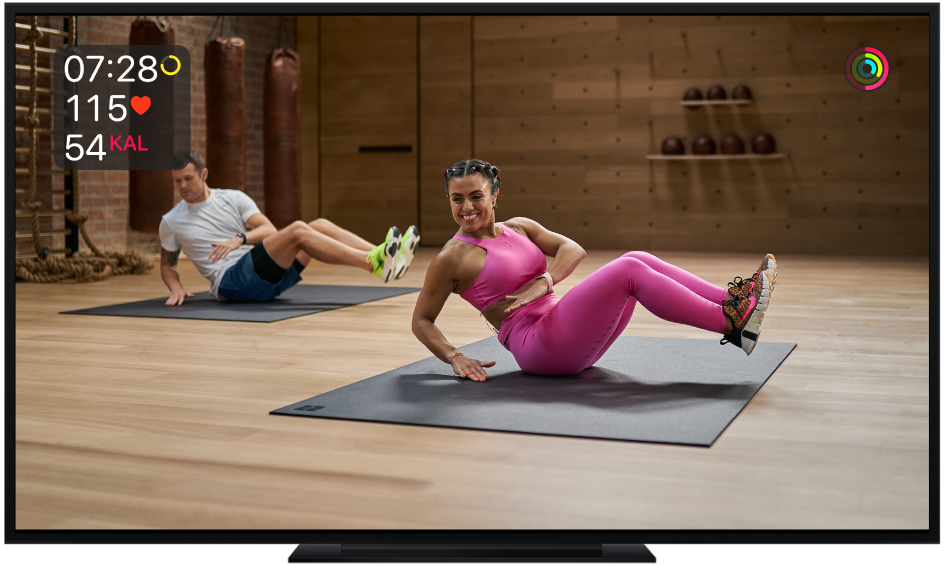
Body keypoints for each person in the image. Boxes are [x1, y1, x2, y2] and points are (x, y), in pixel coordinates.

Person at [411, 158, 777, 381]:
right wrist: (454, 356)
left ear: (494, 195)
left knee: (637, 257)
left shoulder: (519, 227)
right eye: (457, 199)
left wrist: (546, 280)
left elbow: (574, 249)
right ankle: (733, 324)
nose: (467, 207)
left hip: (562, 329)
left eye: (476, 195)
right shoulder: (452, 258)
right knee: (628, 271)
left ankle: (735, 300)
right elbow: (422, 320)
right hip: (539, 345)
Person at [160, 150, 420, 305]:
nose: (182, 186)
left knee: (318, 225)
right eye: (176, 181)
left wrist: (239, 239)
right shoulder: (171, 220)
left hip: (266, 276)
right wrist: (175, 286)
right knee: (297, 230)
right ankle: (373, 263)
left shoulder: (232, 198)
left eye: (188, 178)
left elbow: (268, 231)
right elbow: (167, 264)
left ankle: (387, 255)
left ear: (204, 175)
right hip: (232, 284)